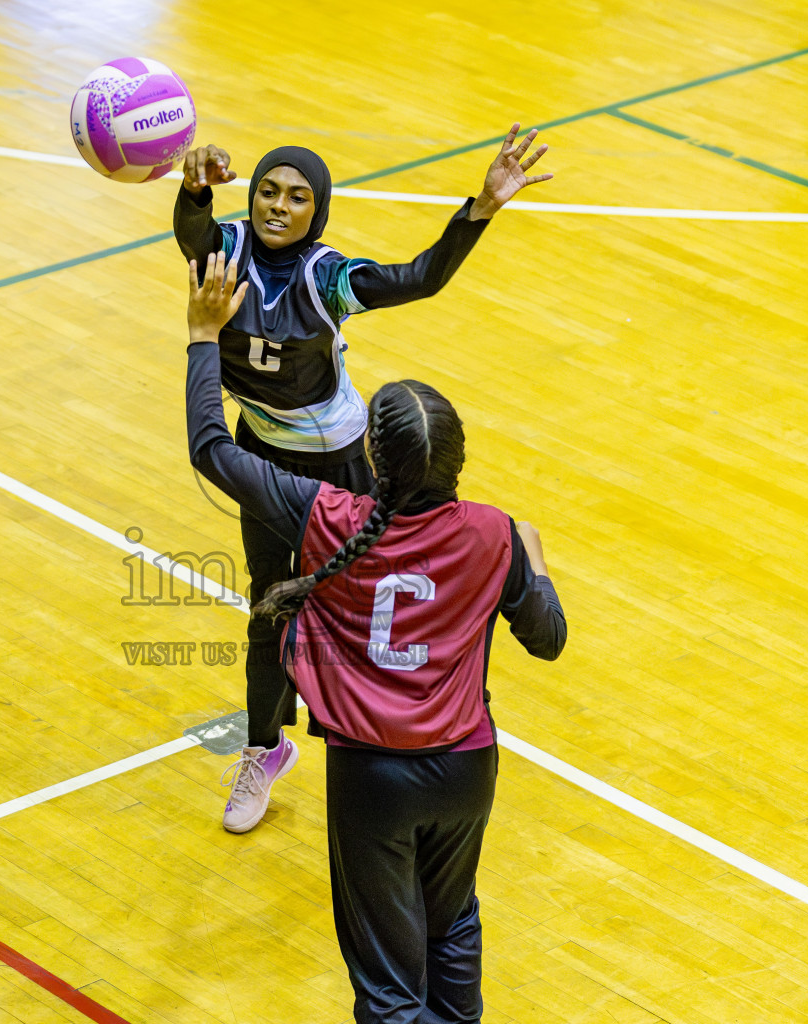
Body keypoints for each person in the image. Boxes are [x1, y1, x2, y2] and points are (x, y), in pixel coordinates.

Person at [183, 250, 567, 1023]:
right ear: (458, 463)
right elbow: (549, 639)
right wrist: (539, 566)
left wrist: (201, 338)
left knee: (387, 980)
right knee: (453, 922)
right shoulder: (493, 534)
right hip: (466, 766)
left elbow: (212, 451)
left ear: (370, 458)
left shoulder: (328, 516)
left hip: (372, 780)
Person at [174, 124, 553, 832]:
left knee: (361, 597)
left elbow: (419, 278)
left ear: (316, 213)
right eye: (266, 191)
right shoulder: (223, 251)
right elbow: (191, 232)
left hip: (341, 461)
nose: (276, 206)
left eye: (296, 197)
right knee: (268, 608)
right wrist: (193, 188)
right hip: (264, 450)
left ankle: (392, 723)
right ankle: (265, 748)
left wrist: (480, 209)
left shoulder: (327, 279)